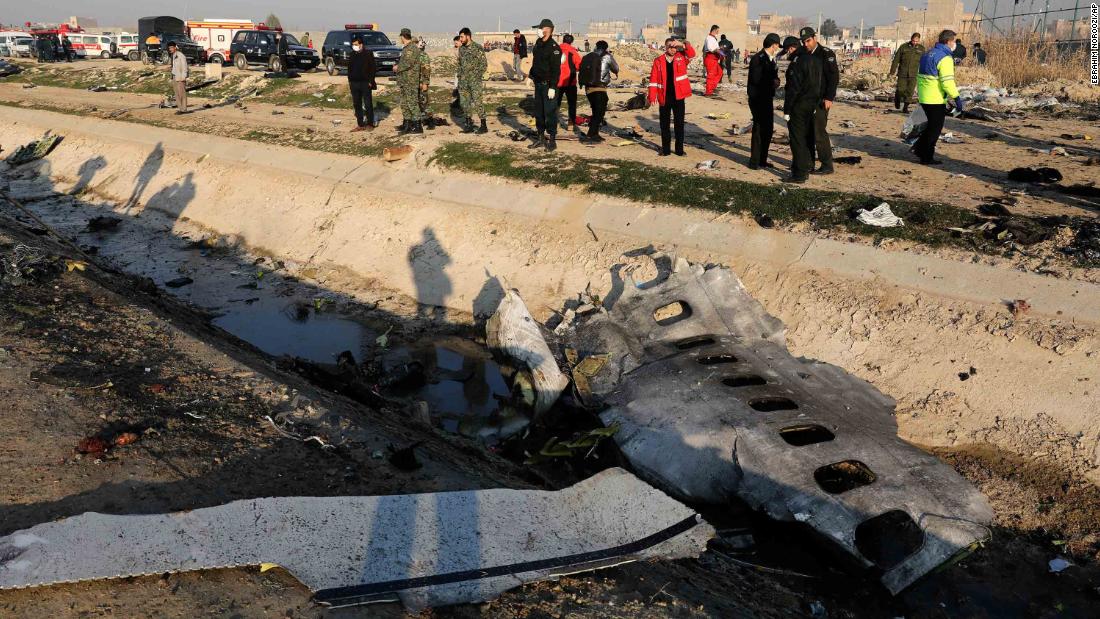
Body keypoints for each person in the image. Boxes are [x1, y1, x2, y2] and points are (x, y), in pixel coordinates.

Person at [915, 30, 963, 165]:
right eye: (954, 41)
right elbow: (947, 82)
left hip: (924, 96)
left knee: (928, 127)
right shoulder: (945, 58)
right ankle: (926, 156)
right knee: (934, 130)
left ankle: (919, 150)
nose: (955, 44)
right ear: (948, 42)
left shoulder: (928, 54)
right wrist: (957, 98)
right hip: (935, 98)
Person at [782, 30, 824, 183]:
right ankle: (806, 166)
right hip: (811, 104)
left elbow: (793, 89)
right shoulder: (815, 59)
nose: (787, 53)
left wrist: (787, 110)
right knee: (807, 138)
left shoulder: (797, 62)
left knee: (797, 140)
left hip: (798, 106)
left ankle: (799, 174)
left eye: (787, 50)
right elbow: (819, 84)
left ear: (792, 48)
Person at [647, 37, 696, 156]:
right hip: (664, 97)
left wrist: (682, 44)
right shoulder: (658, 61)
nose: (673, 49)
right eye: (670, 46)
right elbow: (653, 79)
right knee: (664, 125)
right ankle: (666, 150)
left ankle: (679, 150)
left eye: (674, 47)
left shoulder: (682, 57)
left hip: (679, 96)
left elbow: (692, 53)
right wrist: (652, 95)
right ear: (665, 47)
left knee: (679, 124)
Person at [803, 27, 838, 176]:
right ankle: (808, 163)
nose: (806, 44)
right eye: (803, 41)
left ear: (814, 38)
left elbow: (833, 77)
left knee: (819, 131)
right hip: (807, 99)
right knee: (807, 131)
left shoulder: (826, 54)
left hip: (821, 99)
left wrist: (829, 97)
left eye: (808, 41)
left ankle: (826, 164)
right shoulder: (804, 54)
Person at [746, 33, 783, 170]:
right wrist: (771, 82)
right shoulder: (758, 58)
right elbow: (756, 79)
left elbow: (772, 76)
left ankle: (762, 159)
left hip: (767, 97)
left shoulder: (771, 59)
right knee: (759, 129)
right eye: (778, 45)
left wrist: (776, 81)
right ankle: (754, 161)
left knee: (768, 130)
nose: (778, 48)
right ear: (773, 45)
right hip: (758, 98)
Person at [528, 18, 563, 151]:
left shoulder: (554, 48)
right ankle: (540, 138)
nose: (539, 30)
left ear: (548, 30)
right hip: (538, 84)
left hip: (548, 85)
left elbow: (556, 70)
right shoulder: (538, 43)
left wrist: (553, 87)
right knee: (539, 112)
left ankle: (552, 140)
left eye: (541, 28)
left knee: (550, 113)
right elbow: (535, 62)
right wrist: (531, 76)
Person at [580, 40, 618, 143]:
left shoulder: (588, 56)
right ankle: (590, 135)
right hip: (599, 88)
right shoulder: (607, 57)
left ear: (596, 47)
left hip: (588, 88)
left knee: (595, 111)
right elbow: (616, 68)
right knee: (599, 113)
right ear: (606, 48)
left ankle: (595, 134)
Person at [457, 27, 489, 134]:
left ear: (468, 36)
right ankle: (468, 124)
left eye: (462, 37)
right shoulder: (461, 49)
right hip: (463, 82)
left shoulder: (477, 47)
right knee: (464, 103)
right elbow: (460, 65)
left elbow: (484, 64)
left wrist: (476, 76)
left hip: (474, 81)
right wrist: (459, 77)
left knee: (477, 102)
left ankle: (483, 125)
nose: (460, 39)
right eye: (460, 37)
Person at [394, 28, 424, 134]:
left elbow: (408, 63)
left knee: (412, 103)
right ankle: (407, 124)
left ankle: (417, 126)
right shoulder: (407, 48)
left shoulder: (411, 48)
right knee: (405, 103)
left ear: (402, 36)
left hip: (410, 81)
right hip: (405, 81)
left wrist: (397, 67)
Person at [346, 36, 377, 131]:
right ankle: (360, 124)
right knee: (357, 104)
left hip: (365, 83)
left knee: (368, 104)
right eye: (353, 45)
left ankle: (370, 124)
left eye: (356, 44)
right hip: (354, 83)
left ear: (361, 44)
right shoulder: (352, 54)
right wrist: (350, 81)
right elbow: (349, 69)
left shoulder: (368, 54)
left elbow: (373, 68)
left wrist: (370, 81)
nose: (354, 46)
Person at [889, 33, 925, 113]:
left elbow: (924, 62)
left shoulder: (921, 49)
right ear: (911, 39)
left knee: (910, 92)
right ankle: (897, 99)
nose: (914, 42)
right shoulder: (903, 47)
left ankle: (905, 107)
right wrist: (892, 71)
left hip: (914, 74)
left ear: (919, 40)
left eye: (916, 41)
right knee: (900, 89)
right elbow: (896, 59)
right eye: (913, 41)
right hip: (903, 73)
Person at [557, 33, 583, 132]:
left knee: (556, 104)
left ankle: (554, 123)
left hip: (557, 82)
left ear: (563, 40)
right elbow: (579, 66)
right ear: (571, 42)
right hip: (570, 82)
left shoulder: (556, 50)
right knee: (571, 104)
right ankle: (571, 125)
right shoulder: (573, 51)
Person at [167, 41, 189, 114]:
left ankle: (184, 109)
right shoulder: (173, 55)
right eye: (169, 48)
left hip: (180, 77)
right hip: (174, 76)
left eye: (171, 47)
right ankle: (180, 108)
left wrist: (184, 76)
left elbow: (184, 66)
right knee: (177, 94)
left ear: (175, 47)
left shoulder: (180, 55)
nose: (170, 49)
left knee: (182, 93)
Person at [417, 37, 433, 129]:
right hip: (416, 83)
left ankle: (430, 121)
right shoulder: (416, 56)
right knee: (418, 102)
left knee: (425, 103)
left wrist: (425, 83)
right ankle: (422, 120)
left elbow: (426, 70)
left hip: (422, 83)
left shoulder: (424, 56)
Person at [701, 25, 722, 96]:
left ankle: (712, 87)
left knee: (719, 72)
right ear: (714, 30)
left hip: (714, 59)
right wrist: (719, 51)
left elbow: (715, 48)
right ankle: (708, 92)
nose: (718, 31)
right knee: (711, 75)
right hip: (710, 58)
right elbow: (711, 48)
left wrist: (720, 51)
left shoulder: (713, 38)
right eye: (717, 30)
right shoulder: (709, 38)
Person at [451, 35, 462, 109]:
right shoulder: (458, 49)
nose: (455, 44)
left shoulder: (465, 50)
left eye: (456, 43)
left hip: (464, 72)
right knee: (456, 86)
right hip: (459, 70)